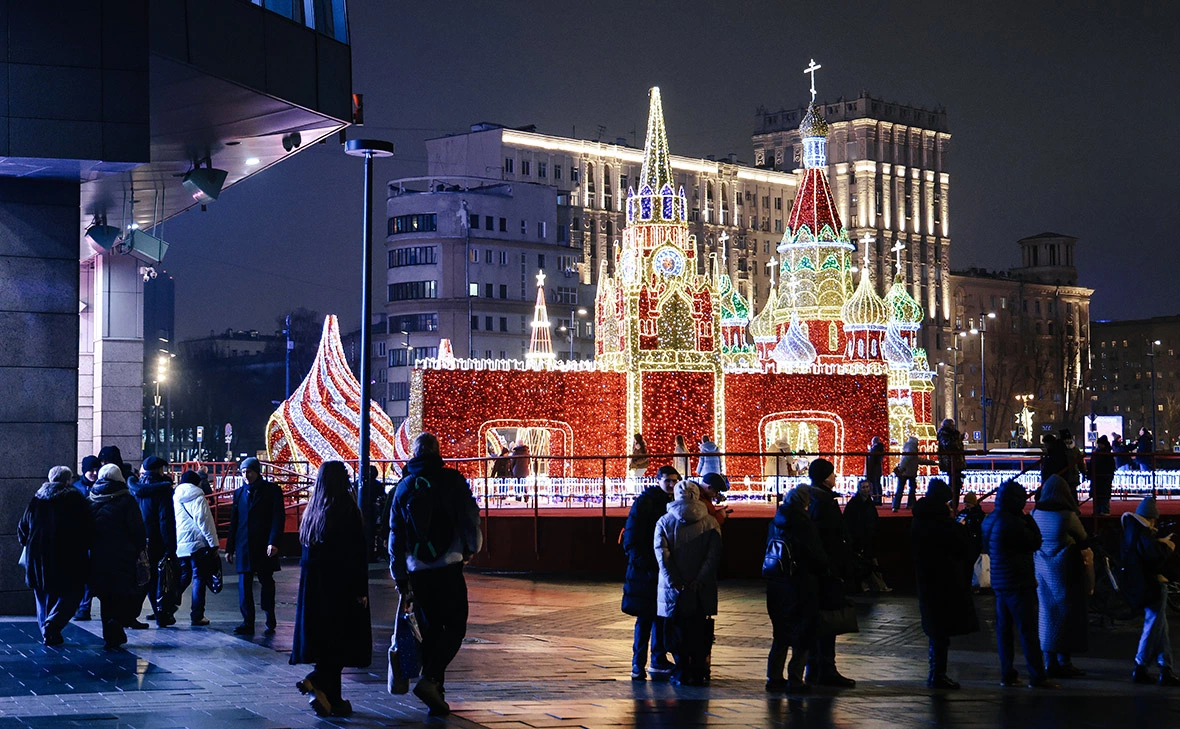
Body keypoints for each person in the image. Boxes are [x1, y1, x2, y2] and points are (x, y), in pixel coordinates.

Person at [389, 433, 482, 717]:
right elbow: (469, 517)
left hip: (418, 571)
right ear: (437, 452)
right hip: (449, 564)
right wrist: (471, 548)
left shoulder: (403, 487)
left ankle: (436, 695)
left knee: (429, 632)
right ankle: (430, 680)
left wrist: (399, 575)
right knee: (455, 627)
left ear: (414, 454)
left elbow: (395, 535)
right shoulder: (452, 481)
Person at [292, 461, 373, 718]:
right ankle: (315, 679)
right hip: (340, 589)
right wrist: (360, 590)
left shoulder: (312, 512)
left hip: (314, 592)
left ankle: (333, 701)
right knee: (340, 642)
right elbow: (357, 554)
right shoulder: (346, 509)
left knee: (325, 644)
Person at [981, 479, 1058, 688]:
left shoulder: (989, 520)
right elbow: (1035, 541)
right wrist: (1029, 519)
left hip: (999, 580)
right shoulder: (1014, 522)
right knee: (1028, 631)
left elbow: (987, 547)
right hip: (1018, 580)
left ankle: (1008, 673)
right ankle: (1037, 676)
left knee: (1004, 630)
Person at [912, 478, 978, 688]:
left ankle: (936, 672)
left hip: (926, 579)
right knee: (942, 630)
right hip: (947, 581)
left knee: (935, 628)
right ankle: (938, 673)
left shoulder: (920, 520)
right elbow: (966, 548)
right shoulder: (946, 525)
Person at [655, 480, 722, 686]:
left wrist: (674, 580)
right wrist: (699, 579)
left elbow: (662, 554)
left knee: (676, 628)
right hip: (700, 588)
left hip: (673, 589)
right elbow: (713, 555)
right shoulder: (710, 522)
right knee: (699, 629)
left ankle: (680, 669)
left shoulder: (664, 522)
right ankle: (698, 669)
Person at [17, 467, 93, 646]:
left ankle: (47, 631)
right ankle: (53, 624)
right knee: (73, 592)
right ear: (68, 480)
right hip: (68, 556)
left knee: (42, 596)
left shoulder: (37, 500)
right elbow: (88, 527)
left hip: (38, 558)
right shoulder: (75, 499)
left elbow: (22, 528)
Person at [765, 485, 827, 693]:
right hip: (800, 583)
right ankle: (796, 679)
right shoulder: (803, 524)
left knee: (780, 633)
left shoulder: (776, 520)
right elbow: (815, 555)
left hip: (777, 583)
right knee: (803, 633)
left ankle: (774, 677)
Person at [622, 465, 677, 681]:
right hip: (645, 571)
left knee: (661, 617)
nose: (671, 485)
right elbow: (632, 537)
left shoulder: (673, 504)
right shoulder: (646, 503)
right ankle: (638, 664)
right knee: (646, 619)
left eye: (675, 481)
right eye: (668, 481)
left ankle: (657, 659)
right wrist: (644, 562)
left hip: (659, 570)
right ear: (658, 480)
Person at [804, 458, 856, 687]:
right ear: (826, 477)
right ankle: (826, 667)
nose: (835, 477)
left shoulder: (809, 499)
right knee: (827, 620)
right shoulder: (825, 503)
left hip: (814, 570)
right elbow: (834, 536)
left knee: (816, 619)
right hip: (827, 569)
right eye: (832, 474)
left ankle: (813, 666)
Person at [1032, 475, 1089, 678]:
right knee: (1066, 613)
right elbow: (1083, 538)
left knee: (1046, 612)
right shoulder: (1066, 515)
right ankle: (1065, 660)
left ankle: (1049, 660)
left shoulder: (1035, 512)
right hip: (1063, 568)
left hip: (1041, 568)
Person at [1121, 496, 1180, 686]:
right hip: (1152, 584)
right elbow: (1154, 557)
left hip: (1139, 584)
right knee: (1153, 626)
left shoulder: (1131, 529)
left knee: (1160, 627)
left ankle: (1166, 668)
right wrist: (1167, 546)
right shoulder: (1144, 532)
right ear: (1152, 517)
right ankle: (1141, 665)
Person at [87, 463, 147, 650]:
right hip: (124, 555)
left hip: (98, 556)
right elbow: (137, 528)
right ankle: (117, 625)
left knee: (106, 596)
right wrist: (140, 548)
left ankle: (110, 633)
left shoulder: (91, 499)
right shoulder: (126, 500)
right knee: (123, 593)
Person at [226, 457, 285, 635]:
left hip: (264, 544)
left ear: (257, 472)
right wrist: (230, 548)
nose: (246, 476)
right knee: (244, 585)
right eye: (243, 472)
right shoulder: (239, 493)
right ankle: (247, 621)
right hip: (244, 544)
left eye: (249, 472)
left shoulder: (272, 491)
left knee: (267, 582)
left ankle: (269, 614)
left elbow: (278, 517)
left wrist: (273, 541)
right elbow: (234, 521)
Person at [128, 456, 178, 627]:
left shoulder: (135, 489)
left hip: (140, 540)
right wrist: (170, 546)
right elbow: (165, 521)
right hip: (157, 541)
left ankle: (134, 614)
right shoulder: (162, 491)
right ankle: (161, 615)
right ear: (159, 470)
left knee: (143, 577)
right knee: (157, 579)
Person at [174, 470, 219, 627]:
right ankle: (197, 615)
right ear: (197, 483)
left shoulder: (175, 497)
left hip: (181, 544)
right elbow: (205, 522)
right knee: (198, 577)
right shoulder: (198, 498)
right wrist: (213, 544)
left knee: (184, 576)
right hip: (197, 544)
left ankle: (167, 606)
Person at [844, 479, 886, 593]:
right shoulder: (854, 504)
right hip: (860, 537)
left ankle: (878, 585)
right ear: (859, 489)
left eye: (867, 487)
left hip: (868, 537)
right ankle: (872, 585)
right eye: (863, 487)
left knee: (870, 562)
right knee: (865, 562)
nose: (866, 489)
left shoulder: (869, 502)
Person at [72, 455, 101, 621]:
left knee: (90, 575)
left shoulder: (100, 487)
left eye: (96, 469)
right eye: (91, 470)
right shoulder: (77, 489)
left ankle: (84, 608)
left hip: (95, 537)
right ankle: (82, 607)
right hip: (81, 538)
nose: (94, 473)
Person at [892, 436, 936, 512]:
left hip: (904, 472)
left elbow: (911, 460)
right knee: (911, 489)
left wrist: (900, 469)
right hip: (909, 472)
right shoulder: (912, 451)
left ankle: (896, 505)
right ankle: (910, 504)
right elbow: (915, 460)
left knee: (900, 489)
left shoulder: (908, 450)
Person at [956, 492, 987, 585]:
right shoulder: (968, 513)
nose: (966, 505)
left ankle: (973, 584)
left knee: (972, 565)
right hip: (969, 541)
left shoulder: (976, 515)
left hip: (973, 542)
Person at [937, 419, 966, 508]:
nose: (953, 427)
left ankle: (953, 504)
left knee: (956, 484)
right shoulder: (944, 435)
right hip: (950, 462)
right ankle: (952, 505)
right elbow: (948, 446)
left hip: (956, 462)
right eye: (951, 425)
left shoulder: (953, 434)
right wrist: (958, 439)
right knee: (954, 484)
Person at [1088, 435, 1116, 515]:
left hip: (1099, 478)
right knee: (1103, 498)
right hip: (1103, 479)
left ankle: (1099, 513)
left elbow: (1092, 465)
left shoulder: (1097, 454)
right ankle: (1103, 513)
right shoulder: (1107, 454)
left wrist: (1090, 474)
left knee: (1099, 498)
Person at [864, 436, 886, 505]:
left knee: (874, 484)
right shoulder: (879, 449)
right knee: (877, 484)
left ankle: (876, 499)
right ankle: (878, 499)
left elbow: (871, 460)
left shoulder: (874, 449)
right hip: (877, 470)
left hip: (873, 470)